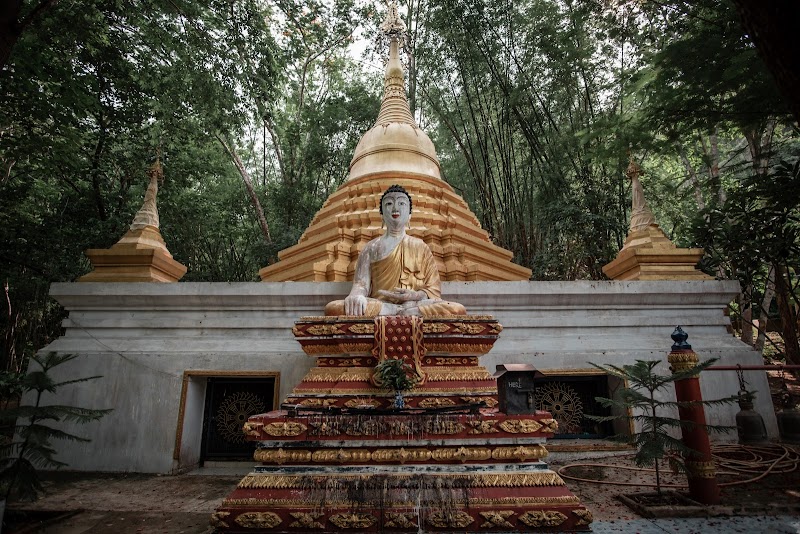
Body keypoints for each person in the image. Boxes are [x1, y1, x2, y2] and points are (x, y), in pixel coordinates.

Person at [325, 184, 466, 317]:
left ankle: (409, 310)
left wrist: (415, 295)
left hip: (416, 304)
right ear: (381, 215)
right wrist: (356, 296)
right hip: (380, 305)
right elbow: (361, 285)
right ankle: (396, 310)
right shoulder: (371, 248)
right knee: (334, 308)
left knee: (456, 309)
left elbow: (433, 291)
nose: (395, 209)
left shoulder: (421, 247)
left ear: (410, 215)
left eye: (401, 203)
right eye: (389, 204)